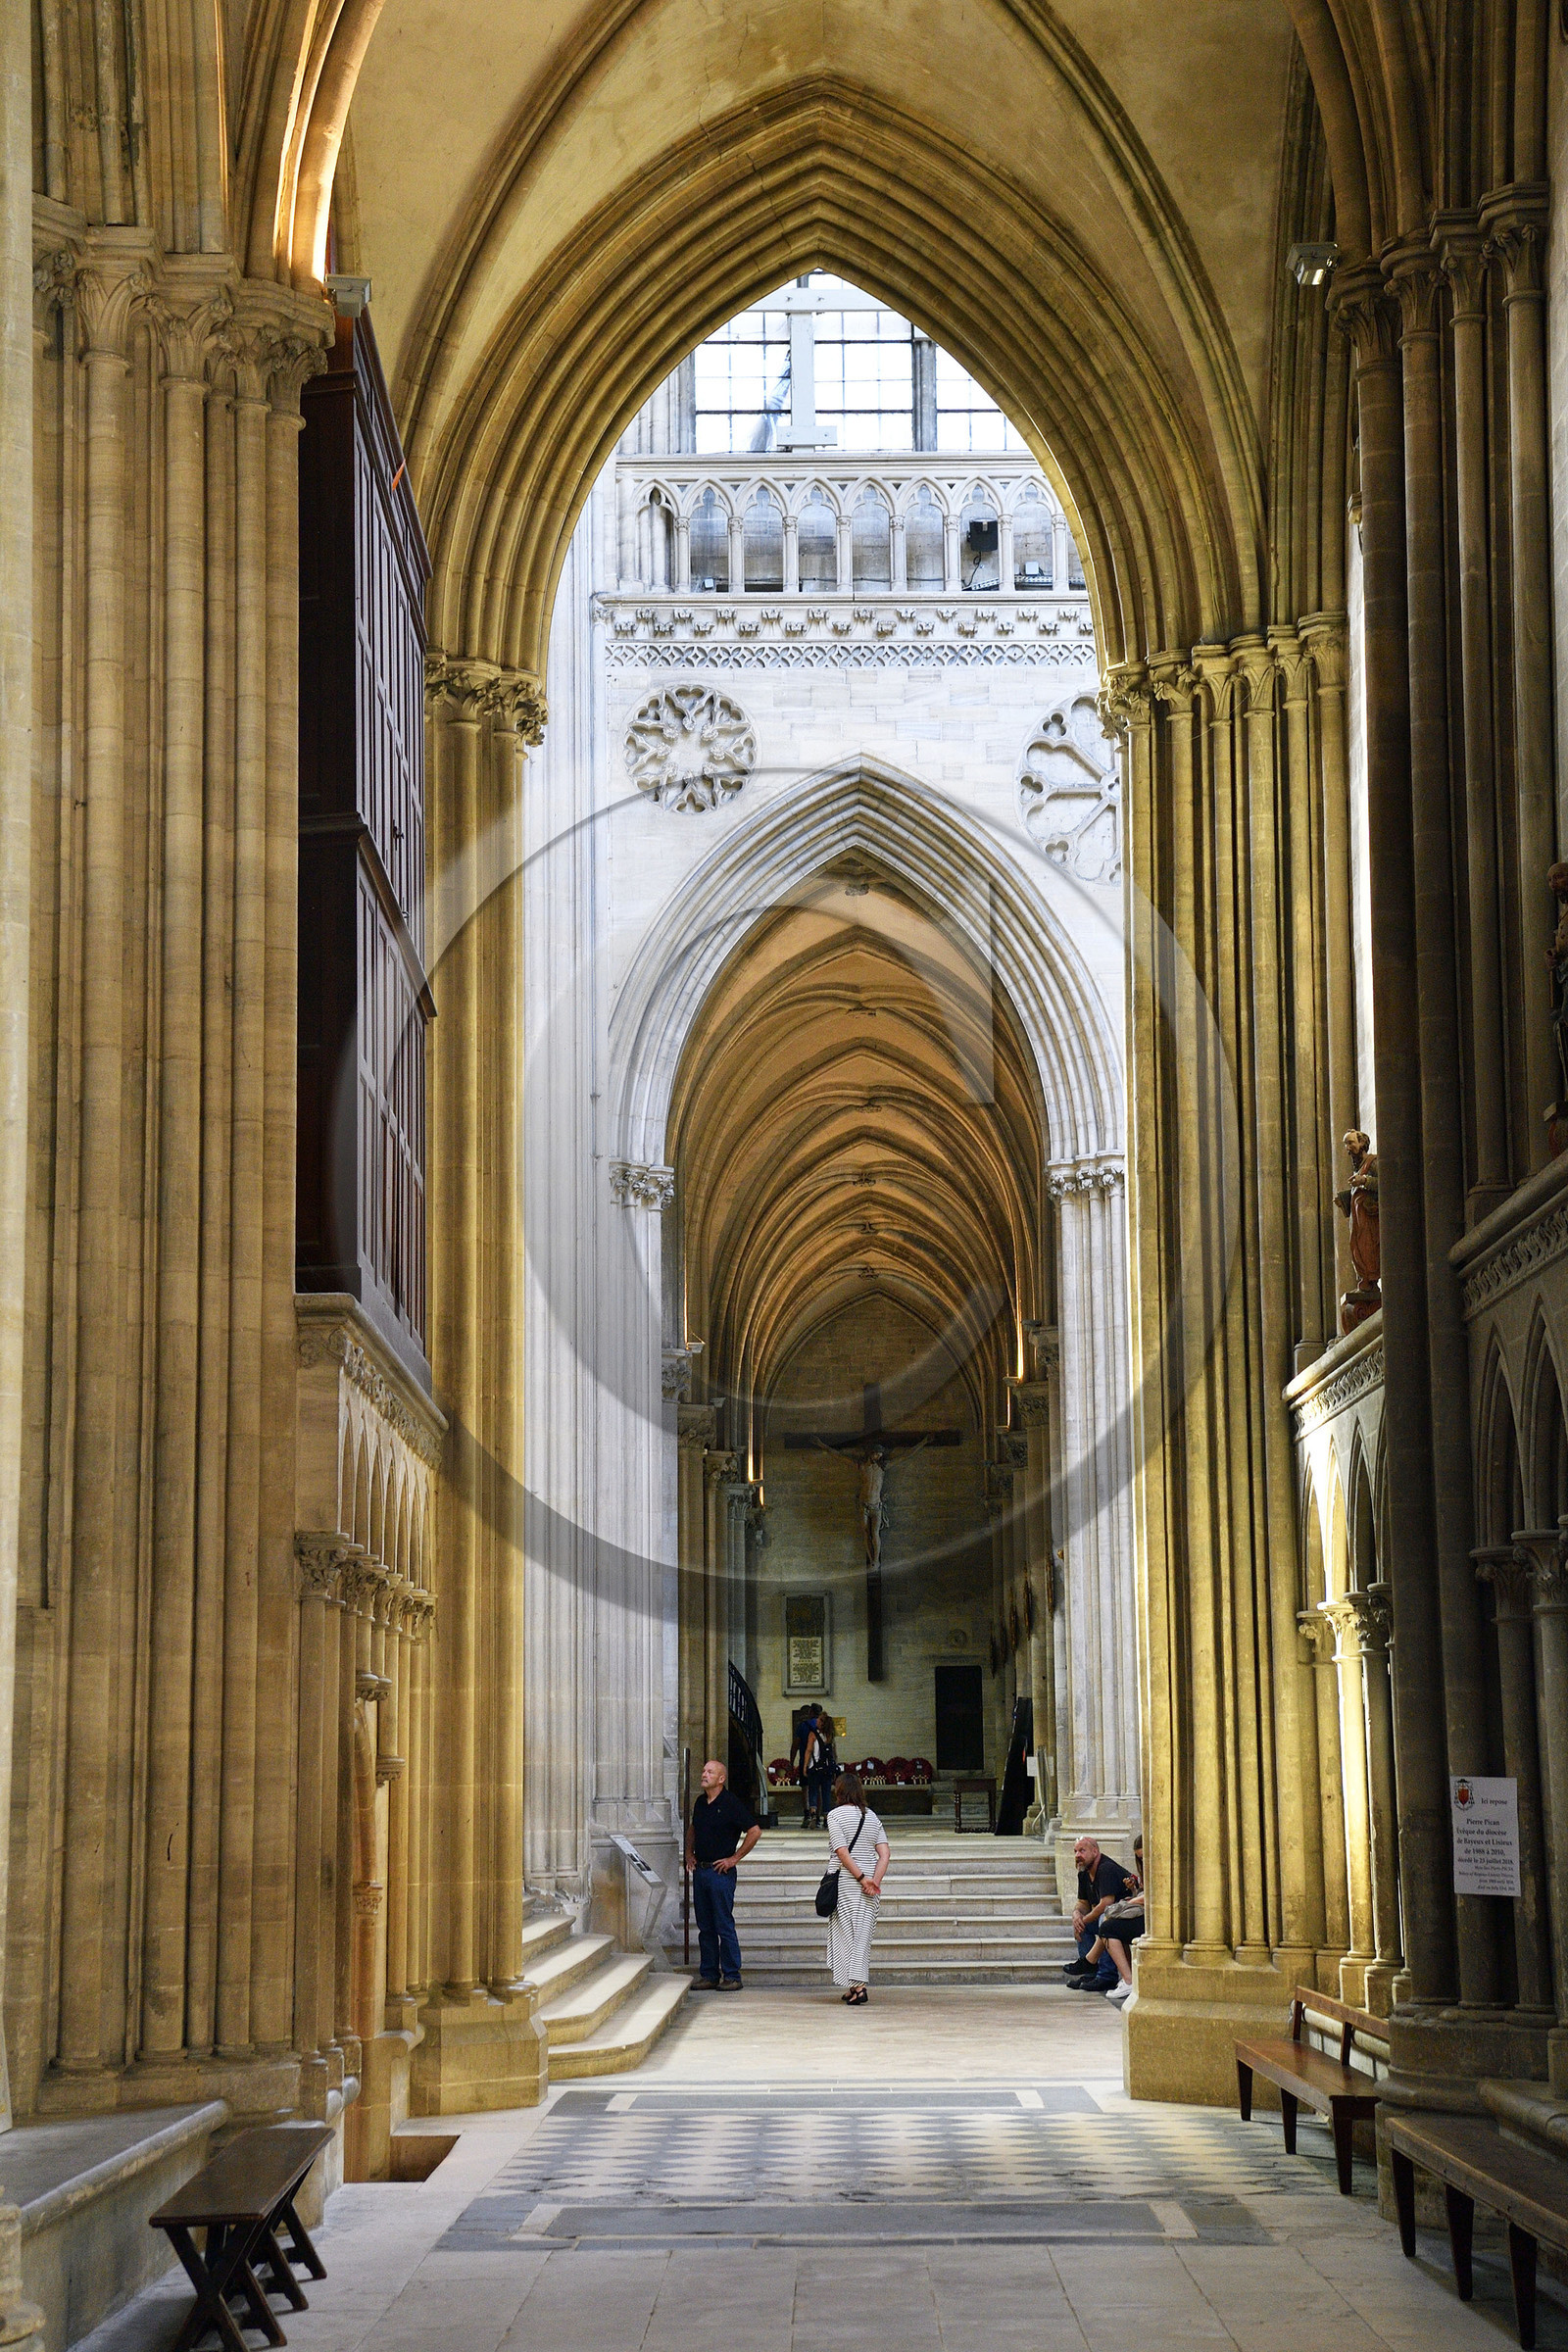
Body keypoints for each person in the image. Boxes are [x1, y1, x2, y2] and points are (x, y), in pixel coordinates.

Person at [685, 1757, 759, 1989]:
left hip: (720, 1872)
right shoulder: (699, 1802)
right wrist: (688, 1853)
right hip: (701, 1870)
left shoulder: (730, 1803)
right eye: (703, 1770)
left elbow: (755, 1831)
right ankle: (709, 1974)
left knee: (723, 1924)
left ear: (721, 1778)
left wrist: (734, 1858)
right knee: (705, 1926)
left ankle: (732, 1975)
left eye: (709, 1772)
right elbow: (693, 1828)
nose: (703, 1774)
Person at [825, 1768, 889, 2005]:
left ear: (839, 1792)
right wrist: (875, 1882)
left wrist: (862, 1879)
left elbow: (841, 1851)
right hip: (870, 1886)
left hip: (848, 1883)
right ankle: (853, 1985)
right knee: (861, 1936)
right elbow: (884, 1853)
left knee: (847, 1935)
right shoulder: (872, 1816)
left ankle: (859, 1987)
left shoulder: (835, 1816)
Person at [1062, 1835, 1135, 1992]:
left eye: (1082, 1850)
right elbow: (1083, 1903)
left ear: (1095, 1851)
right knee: (1084, 1924)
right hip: (1114, 1918)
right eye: (1075, 1851)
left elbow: (1106, 1903)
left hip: (1126, 1919)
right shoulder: (1083, 1872)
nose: (1077, 1855)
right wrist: (1076, 1915)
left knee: (1103, 1921)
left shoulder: (1105, 1868)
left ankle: (1106, 1976)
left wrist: (1085, 1919)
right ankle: (1090, 1973)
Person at [1086, 1834, 1144, 2007]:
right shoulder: (1086, 1873)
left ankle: (1123, 1978)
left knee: (1107, 1927)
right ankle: (1094, 1964)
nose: (1142, 1861)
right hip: (1142, 1913)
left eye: (1144, 1857)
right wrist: (1133, 1891)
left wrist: (1131, 1901)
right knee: (1108, 1925)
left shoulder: (1106, 1868)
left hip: (1153, 1919)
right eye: (1139, 1858)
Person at [803, 1704, 836, 1830]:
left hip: (815, 1768)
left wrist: (805, 1766)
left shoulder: (813, 1735)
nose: (816, 1720)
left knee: (813, 1792)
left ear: (821, 1722)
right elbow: (833, 1753)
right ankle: (827, 1818)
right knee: (826, 1793)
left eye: (819, 1719)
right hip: (827, 1769)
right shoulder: (830, 1735)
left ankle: (813, 1816)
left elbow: (809, 1750)